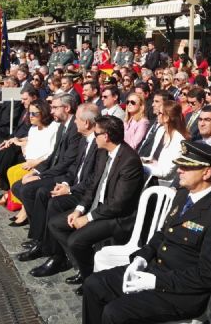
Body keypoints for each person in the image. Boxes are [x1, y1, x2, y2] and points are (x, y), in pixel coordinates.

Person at [81, 141, 211, 324]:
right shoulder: (183, 195)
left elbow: (206, 276)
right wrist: (141, 258)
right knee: (93, 285)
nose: (179, 170)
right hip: (154, 270)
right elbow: (163, 234)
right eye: (180, 165)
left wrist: (155, 281)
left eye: (187, 166)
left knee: (114, 313)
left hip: (181, 293)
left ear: (207, 172)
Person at [44, 116, 144, 294]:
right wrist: (79, 209)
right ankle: (85, 268)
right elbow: (93, 186)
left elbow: (118, 204)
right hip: (99, 208)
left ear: (106, 136)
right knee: (55, 224)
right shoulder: (104, 152)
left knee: (76, 241)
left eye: (96, 134)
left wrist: (88, 218)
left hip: (118, 218)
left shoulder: (130, 161)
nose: (93, 137)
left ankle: (90, 279)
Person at [17, 103, 101, 267]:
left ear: (87, 123)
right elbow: (74, 169)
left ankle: (55, 254)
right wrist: (64, 184)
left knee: (49, 198)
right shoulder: (85, 140)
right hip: (70, 182)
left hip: (83, 192)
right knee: (38, 191)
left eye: (77, 119)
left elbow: (91, 179)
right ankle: (41, 242)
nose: (75, 121)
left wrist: (69, 188)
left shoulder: (98, 144)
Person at [5, 100, 61, 225]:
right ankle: (24, 207)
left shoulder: (53, 128)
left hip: (43, 164)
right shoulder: (33, 129)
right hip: (30, 161)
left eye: (34, 114)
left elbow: (51, 153)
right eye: (29, 113)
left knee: (19, 176)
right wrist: (19, 144)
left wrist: (34, 163)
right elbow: (29, 145)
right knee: (11, 171)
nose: (30, 116)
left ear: (44, 113)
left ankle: (25, 211)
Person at [142, 100, 187, 183]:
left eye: (159, 113)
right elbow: (153, 158)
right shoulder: (160, 130)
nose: (157, 115)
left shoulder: (179, 141)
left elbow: (165, 173)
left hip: (163, 183)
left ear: (167, 118)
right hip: (150, 177)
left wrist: (141, 167)